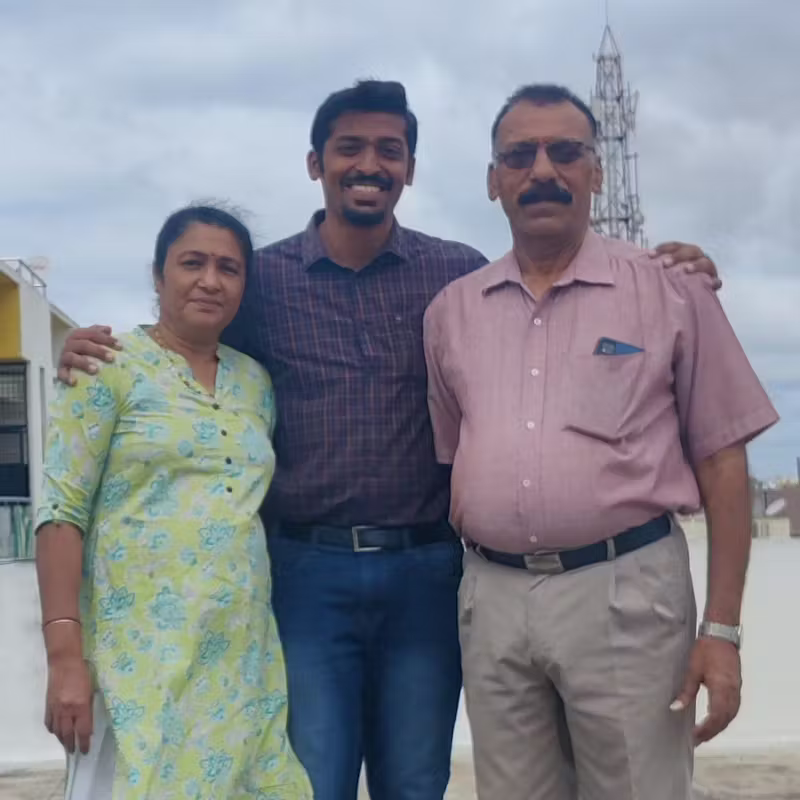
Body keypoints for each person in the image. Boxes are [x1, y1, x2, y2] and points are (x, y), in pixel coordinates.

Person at [57, 81, 720, 800]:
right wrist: (97, 347)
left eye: (389, 150)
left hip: (426, 577)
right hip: (306, 576)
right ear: (316, 163)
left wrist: (672, 265)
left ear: (410, 168)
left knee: (414, 783)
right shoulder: (266, 281)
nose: (368, 164)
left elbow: (546, 307)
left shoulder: (456, 276)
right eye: (349, 148)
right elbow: (193, 342)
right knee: (314, 781)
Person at [422, 83, 780, 800]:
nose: (543, 171)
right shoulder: (451, 313)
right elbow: (457, 457)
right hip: (492, 599)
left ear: (598, 171)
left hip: (624, 594)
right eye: (520, 155)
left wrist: (724, 632)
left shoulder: (670, 290)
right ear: (494, 181)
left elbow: (723, 461)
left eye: (566, 152)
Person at [36, 205, 312, 799]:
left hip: (241, 662)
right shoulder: (107, 366)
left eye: (229, 268)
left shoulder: (255, 384)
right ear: (158, 276)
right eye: (193, 263)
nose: (210, 280)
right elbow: (61, 511)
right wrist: (64, 657)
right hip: (137, 662)